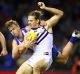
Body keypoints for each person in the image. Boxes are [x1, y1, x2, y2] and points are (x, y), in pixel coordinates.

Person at [5, 2, 80, 74]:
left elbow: (60, 13)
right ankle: (75, 36)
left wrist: (45, 8)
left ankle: (74, 37)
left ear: (18, 27)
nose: (12, 31)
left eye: (13, 29)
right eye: (10, 30)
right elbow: (15, 55)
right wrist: (25, 46)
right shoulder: (17, 40)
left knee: (63, 59)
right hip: (35, 54)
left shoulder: (34, 28)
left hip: (47, 50)